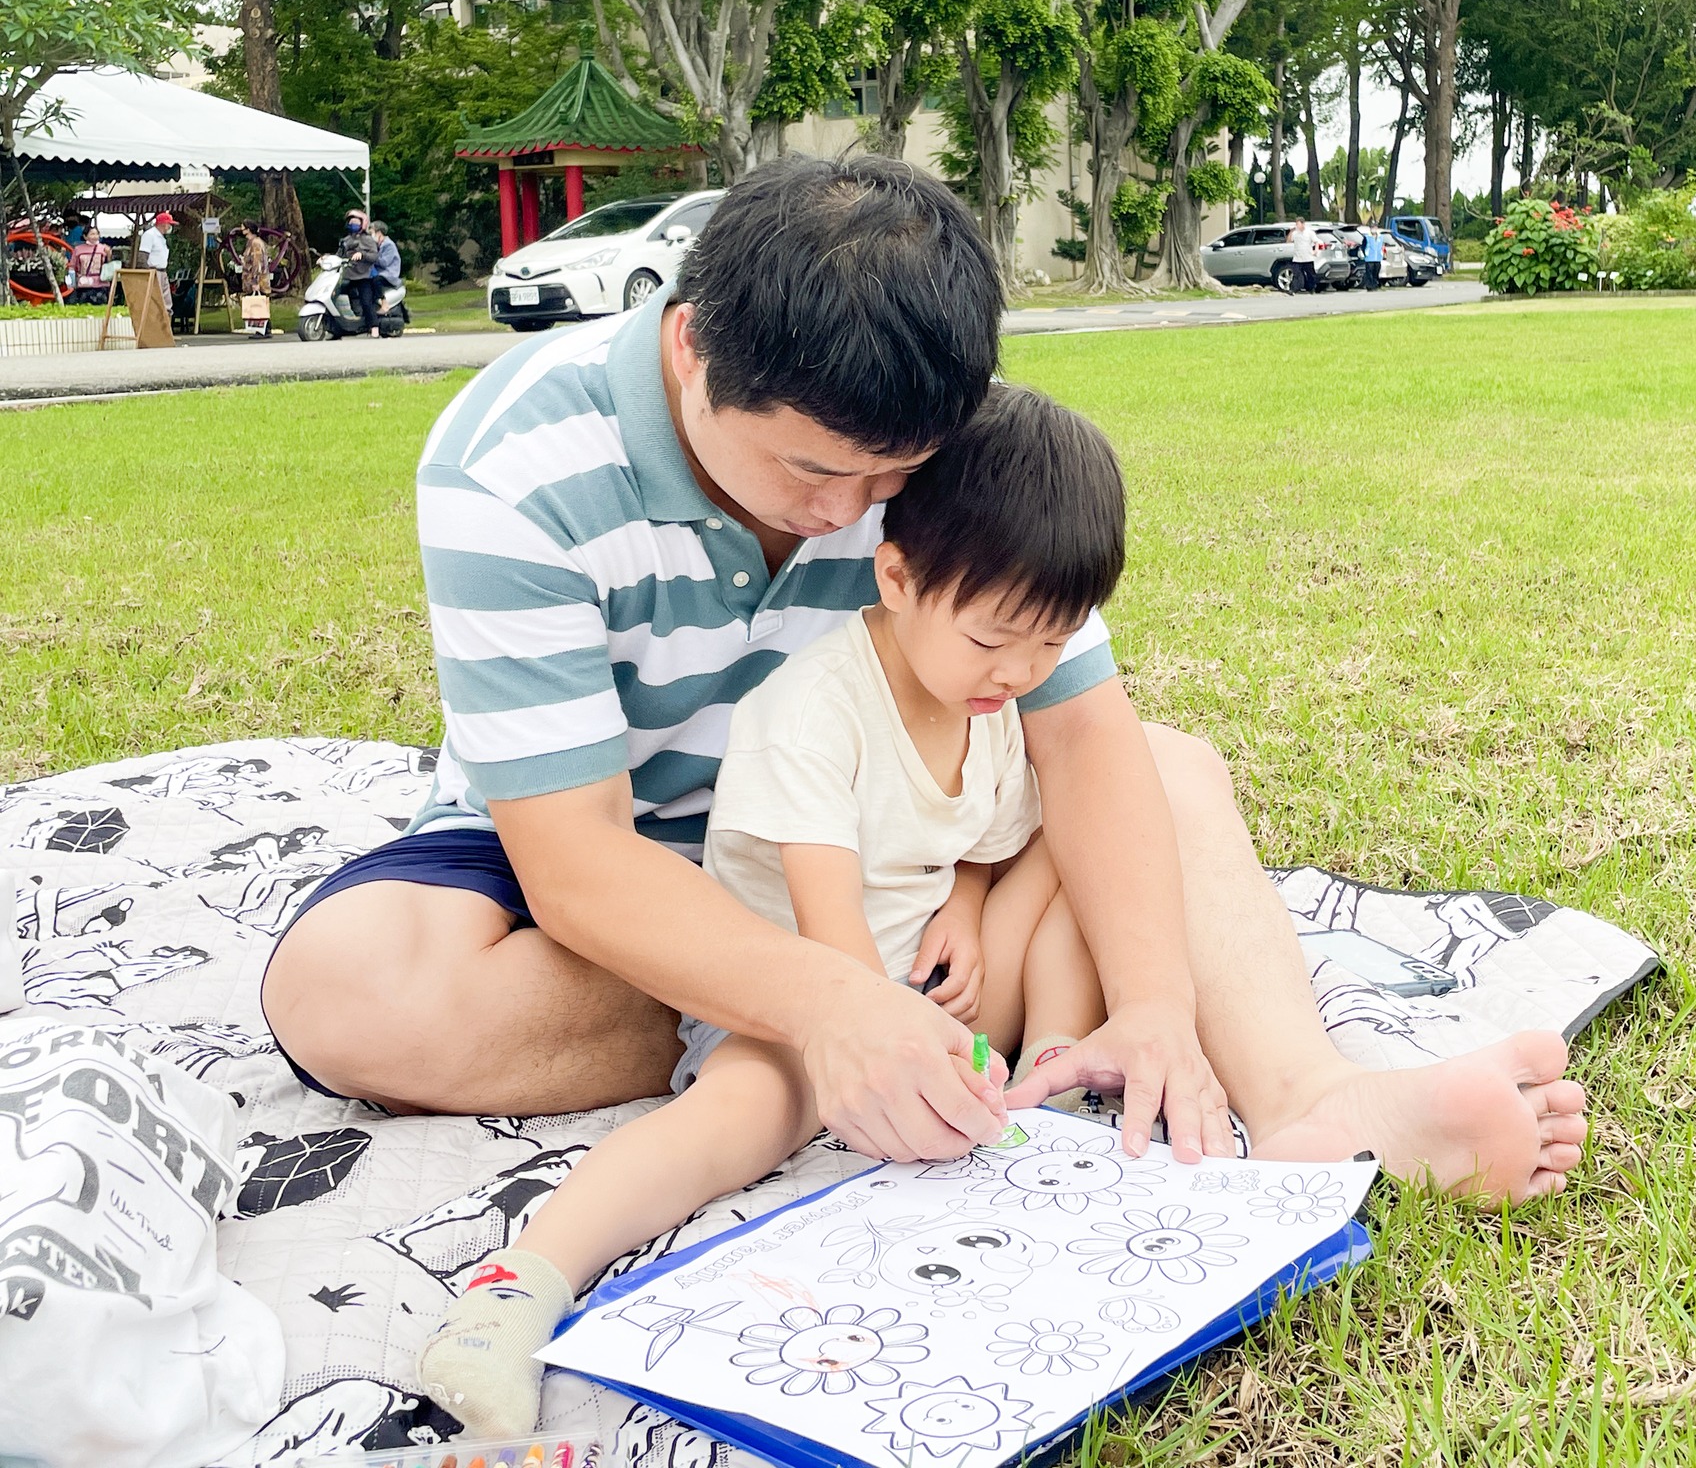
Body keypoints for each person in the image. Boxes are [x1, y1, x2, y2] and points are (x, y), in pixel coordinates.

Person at [261, 155, 1583, 1236]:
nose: (844, 513)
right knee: (353, 992)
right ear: (687, 350)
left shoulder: (942, 434)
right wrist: (830, 999)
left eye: (887, 478)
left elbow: (1083, 739)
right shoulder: (516, 462)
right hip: (624, 865)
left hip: (882, 846)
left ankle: (1309, 1096)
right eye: (809, 469)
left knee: (1168, 775)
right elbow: (578, 860)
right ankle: (862, 1030)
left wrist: (1159, 1009)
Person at [416, 382, 1127, 1436]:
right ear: (896, 575)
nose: (1022, 672)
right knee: (741, 1111)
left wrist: (968, 910)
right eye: (994, 640)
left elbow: (991, 835)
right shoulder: (814, 708)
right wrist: (869, 1035)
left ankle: (1059, 1072)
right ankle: (523, 1282)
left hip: (927, 976)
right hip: (809, 986)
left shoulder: (989, 698)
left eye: (1049, 644)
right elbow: (821, 922)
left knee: (1076, 861)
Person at [339, 209, 383, 332]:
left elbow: (374, 256)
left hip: (364, 276)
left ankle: (374, 327)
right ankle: (341, 324)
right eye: (351, 221)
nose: (353, 224)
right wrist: (326, 258)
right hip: (349, 275)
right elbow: (339, 255)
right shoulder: (346, 240)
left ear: (362, 224)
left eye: (356, 222)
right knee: (337, 295)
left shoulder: (368, 240)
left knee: (366, 301)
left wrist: (362, 254)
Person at [137, 210, 174, 318]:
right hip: (154, 271)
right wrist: (148, 272)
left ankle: (166, 326)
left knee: (166, 301)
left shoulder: (161, 237)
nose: (170, 227)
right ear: (163, 224)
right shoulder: (150, 235)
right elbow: (143, 255)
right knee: (155, 300)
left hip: (162, 271)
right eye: (169, 224)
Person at [238, 221, 271, 338]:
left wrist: (255, 281)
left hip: (259, 280)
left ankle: (262, 330)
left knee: (259, 303)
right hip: (254, 279)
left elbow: (257, 262)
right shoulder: (251, 243)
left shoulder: (256, 243)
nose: (241, 230)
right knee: (261, 304)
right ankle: (264, 329)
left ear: (248, 229)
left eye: (243, 228)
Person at [66, 226, 113, 305]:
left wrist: (109, 254)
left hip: (101, 283)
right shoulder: (78, 249)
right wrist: (72, 283)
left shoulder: (104, 248)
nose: (95, 236)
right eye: (92, 234)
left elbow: (109, 264)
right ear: (85, 236)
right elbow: (72, 266)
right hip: (84, 283)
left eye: (97, 234)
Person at [1287, 216, 1319, 294]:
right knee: (1296, 274)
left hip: (1308, 257)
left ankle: (1311, 288)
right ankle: (1293, 289)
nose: (1297, 226)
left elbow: (1316, 242)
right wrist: (1291, 232)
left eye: (1298, 224)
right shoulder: (1295, 233)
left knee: (1311, 275)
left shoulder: (1309, 232)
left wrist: (1316, 250)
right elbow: (1289, 241)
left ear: (1303, 224)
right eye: (1296, 224)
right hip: (1297, 258)